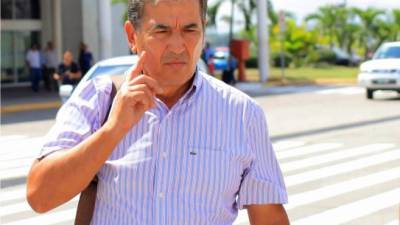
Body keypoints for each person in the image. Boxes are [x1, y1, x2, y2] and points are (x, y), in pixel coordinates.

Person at [27, 1, 289, 225]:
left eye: (190, 29)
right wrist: (114, 129)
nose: (177, 46)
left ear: (203, 31)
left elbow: (269, 216)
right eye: (161, 30)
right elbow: (40, 195)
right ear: (132, 36)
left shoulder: (242, 113)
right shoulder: (99, 98)